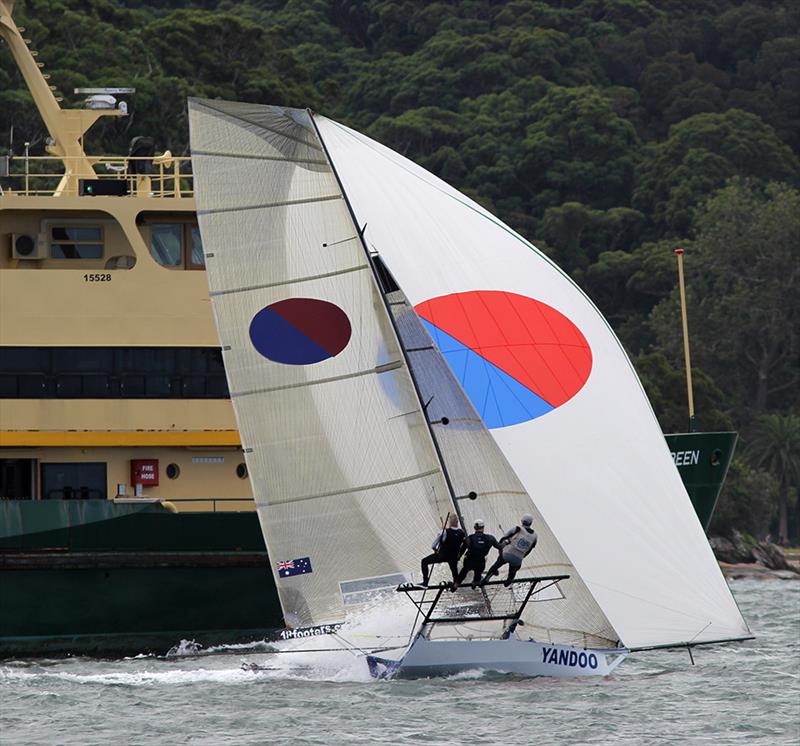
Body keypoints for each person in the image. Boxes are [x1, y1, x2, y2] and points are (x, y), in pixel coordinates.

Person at [481, 514, 538, 587]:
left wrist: (500, 550)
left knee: (497, 564)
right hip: (519, 558)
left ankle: (487, 578)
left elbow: (503, 539)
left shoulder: (517, 529)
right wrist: (522, 556)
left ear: (522, 521)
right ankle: (509, 580)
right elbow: (529, 549)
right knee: (514, 569)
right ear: (531, 523)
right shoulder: (535, 536)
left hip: (508, 553)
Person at [420, 514, 465, 586]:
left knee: (424, 561)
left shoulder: (444, 532)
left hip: (442, 556)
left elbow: (433, 545)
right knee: (454, 570)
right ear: (457, 522)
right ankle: (455, 583)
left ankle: (425, 581)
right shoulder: (462, 532)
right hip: (453, 557)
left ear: (450, 522)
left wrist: (436, 550)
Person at [454, 519, 500, 589]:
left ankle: (456, 584)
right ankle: (475, 583)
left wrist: (457, 558)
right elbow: (499, 546)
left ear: (475, 528)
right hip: (480, 563)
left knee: (464, 571)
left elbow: (461, 551)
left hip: (469, 561)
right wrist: (506, 542)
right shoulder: (490, 538)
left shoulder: (469, 538)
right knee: (478, 574)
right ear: (483, 527)